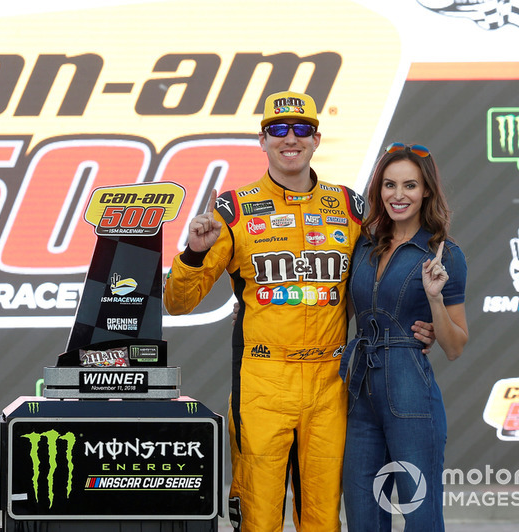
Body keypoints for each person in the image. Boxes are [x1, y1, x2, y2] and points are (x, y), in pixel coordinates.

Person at [163, 91, 433, 531]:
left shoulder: (349, 208)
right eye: (279, 129)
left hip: (330, 384)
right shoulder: (233, 210)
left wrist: (422, 321)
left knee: (323, 519)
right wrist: (194, 252)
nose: (291, 138)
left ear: (317, 139)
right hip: (263, 383)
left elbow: (382, 276)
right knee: (259, 516)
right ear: (263, 139)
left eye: (302, 129)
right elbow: (178, 302)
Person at [339, 142, 469, 531]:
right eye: (390, 185)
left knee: (421, 517)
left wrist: (434, 300)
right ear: (379, 190)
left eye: (410, 186)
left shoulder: (443, 253)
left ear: (426, 190)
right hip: (359, 395)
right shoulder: (361, 246)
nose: (399, 195)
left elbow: (455, 345)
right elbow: (341, 313)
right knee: (362, 516)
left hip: (411, 395)